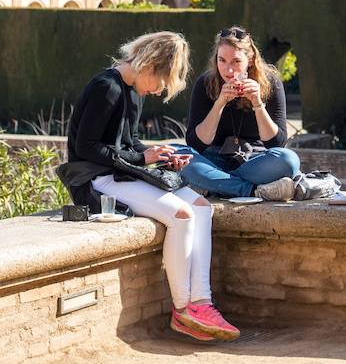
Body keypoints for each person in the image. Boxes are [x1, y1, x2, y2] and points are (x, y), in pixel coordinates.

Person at [61, 30, 239, 343]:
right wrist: (144, 156)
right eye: (160, 82)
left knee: (201, 207)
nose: (158, 91)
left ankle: (202, 302)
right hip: (96, 180)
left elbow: (125, 144)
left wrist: (158, 154)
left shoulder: (130, 91)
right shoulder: (108, 88)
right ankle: (183, 309)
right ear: (150, 66)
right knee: (181, 215)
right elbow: (86, 148)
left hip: (118, 173)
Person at [177, 26, 301, 201]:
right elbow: (195, 143)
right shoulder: (205, 83)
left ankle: (214, 184)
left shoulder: (270, 83)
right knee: (176, 154)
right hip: (213, 159)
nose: (228, 70)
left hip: (254, 162)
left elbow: (277, 143)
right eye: (222, 60)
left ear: (250, 60)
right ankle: (252, 191)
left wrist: (258, 104)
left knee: (289, 160)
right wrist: (220, 103)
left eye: (235, 61)